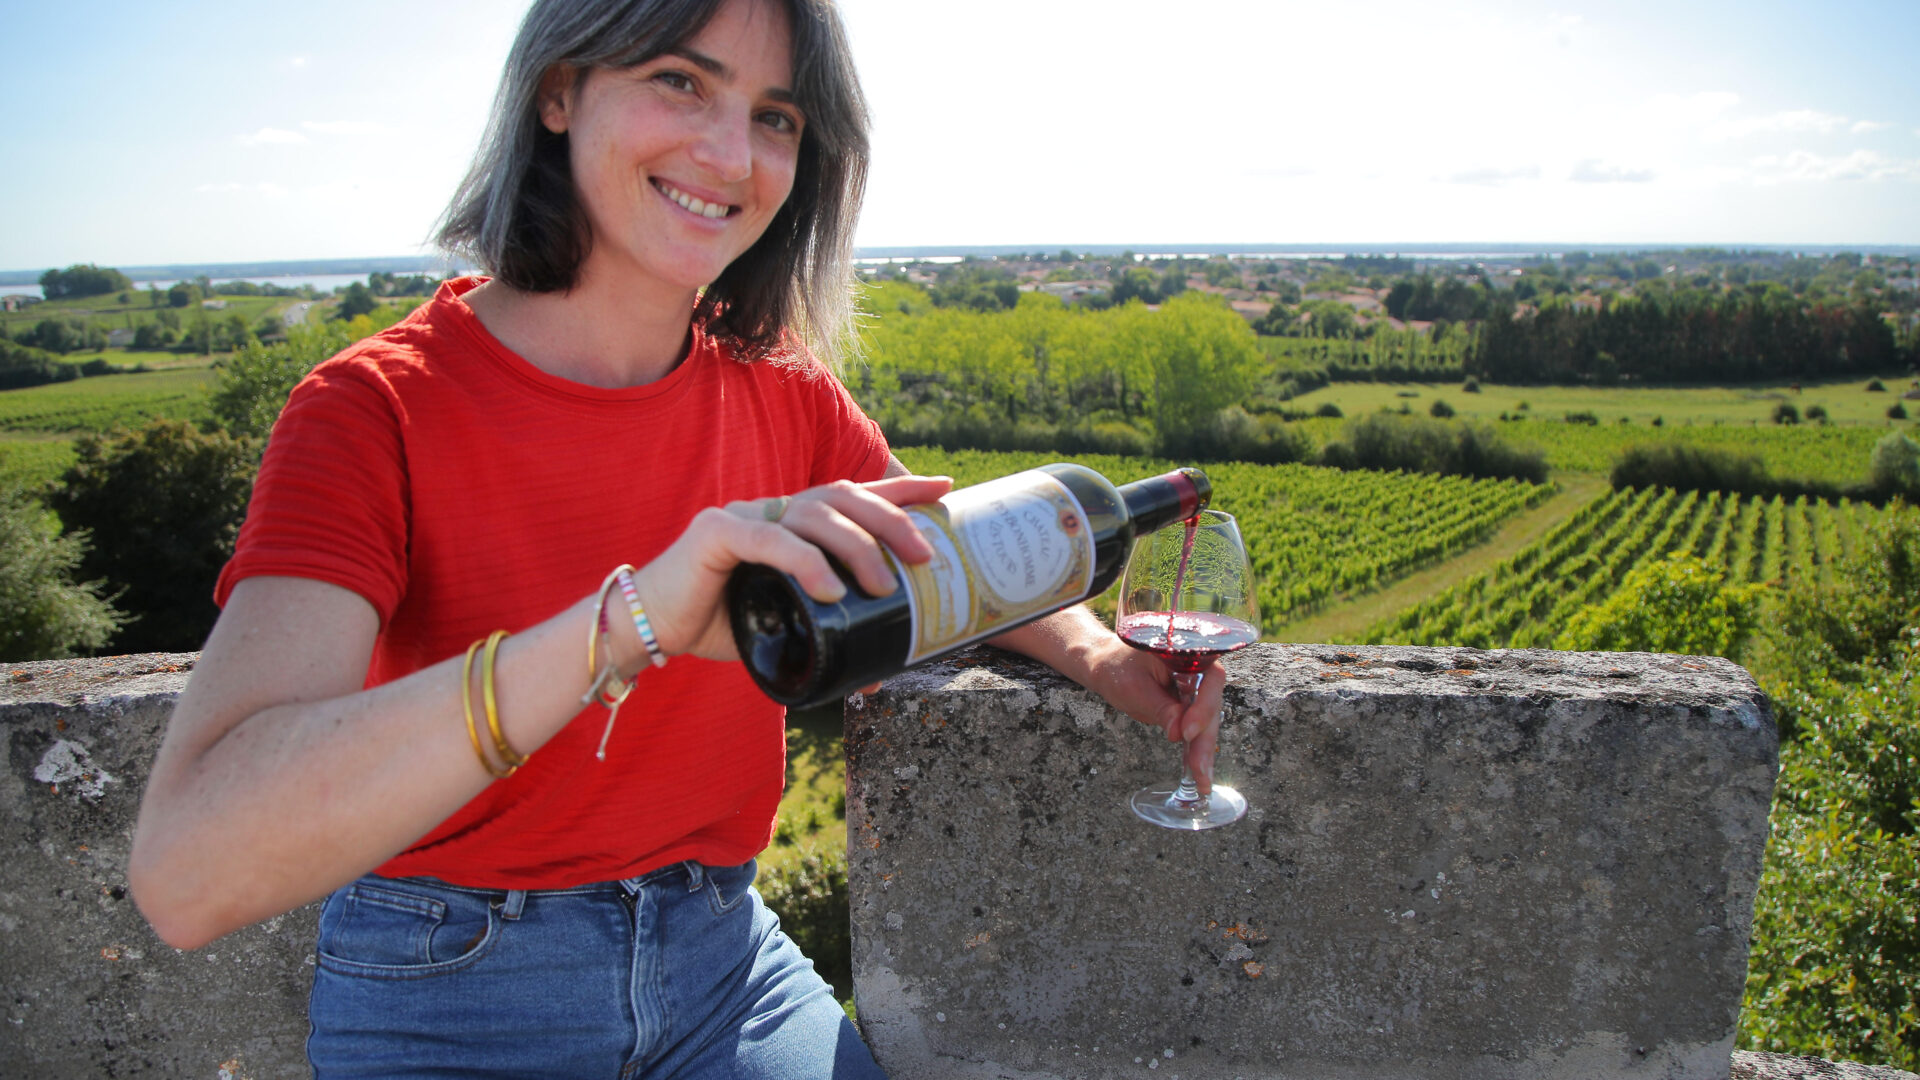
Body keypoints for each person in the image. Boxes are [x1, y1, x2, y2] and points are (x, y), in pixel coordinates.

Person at [126, 0, 1227, 1076]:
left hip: (724, 966)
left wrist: (1097, 658)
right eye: (680, 81)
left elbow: (960, 551)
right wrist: (627, 625)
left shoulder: (783, 390)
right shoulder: (373, 412)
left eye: (776, 117)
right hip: (451, 987)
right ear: (559, 90)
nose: (730, 153)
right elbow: (188, 874)